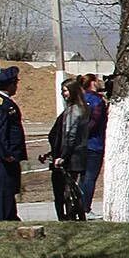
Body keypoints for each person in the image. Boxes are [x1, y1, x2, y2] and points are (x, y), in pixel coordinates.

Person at [46, 77, 91, 220]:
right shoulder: (80, 108)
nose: (63, 94)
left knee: (65, 191)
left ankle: (68, 217)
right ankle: (73, 215)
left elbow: (70, 136)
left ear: (73, 91)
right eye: (62, 91)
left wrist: (62, 156)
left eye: (65, 90)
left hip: (71, 157)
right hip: (77, 155)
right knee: (72, 190)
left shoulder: (74, 111)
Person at [79, 74, 106, 215]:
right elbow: (94, 122)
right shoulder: (96, 101)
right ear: (93, 83)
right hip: (95, 144)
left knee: (83, 177)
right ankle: (85, 207)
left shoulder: (80, 99)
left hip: (82, 145)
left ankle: (80, 206)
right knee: (90, 177)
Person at [0, 66, 23, 221]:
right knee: (4, 192)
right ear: (10, 84)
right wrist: (6, 154)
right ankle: (6, 220)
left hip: (8, 158)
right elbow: (0, 132)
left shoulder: (6, 103)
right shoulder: (3, 105)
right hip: (4, 160)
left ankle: (11, 217)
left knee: (9, 192)